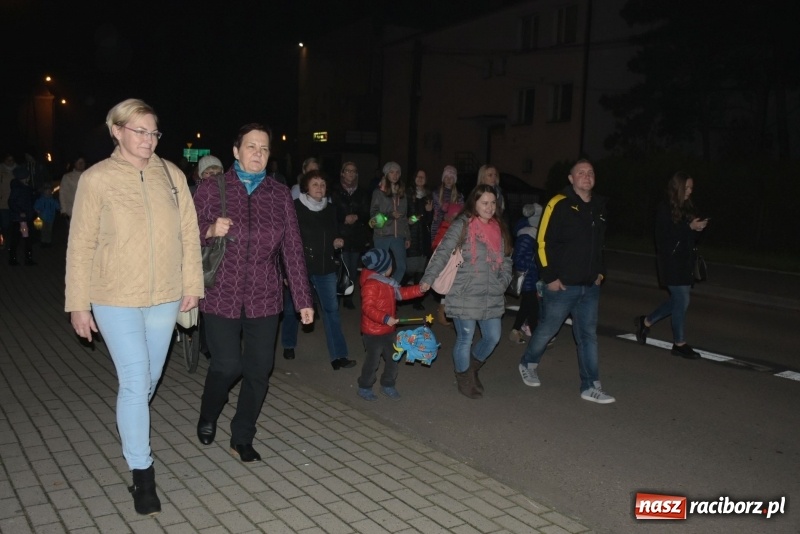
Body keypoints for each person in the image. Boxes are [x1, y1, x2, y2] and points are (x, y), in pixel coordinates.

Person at [65, 98, 204, 515]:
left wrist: (192, 285)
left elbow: (189, 236)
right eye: (139, 131)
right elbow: (80, 245)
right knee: (134, 379)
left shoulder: (173, 176)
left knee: (147, 381)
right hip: (112, 295)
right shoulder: (97, 179)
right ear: (117, 131)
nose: (148, 140)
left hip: (164, 294)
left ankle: (133, 436)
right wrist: (78, 304)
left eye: (154, 132)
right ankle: (143, 474)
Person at [193, 123, 314, 463]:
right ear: (236, 151)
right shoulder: (211, 189)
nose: (258, 153)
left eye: (263, 148)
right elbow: (182, 233)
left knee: (259, 369)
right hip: (221, 292)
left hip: (264, 295)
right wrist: (209, 229)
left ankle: (242, 435)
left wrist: (303, 299)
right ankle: (208, 413)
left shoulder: (278, 195)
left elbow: (292, 248)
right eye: (251, 146)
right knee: (227, 365)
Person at [517, 159, 615, 404]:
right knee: (548, 328)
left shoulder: (599, 207)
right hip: (562, 285)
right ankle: (528, 362)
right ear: (571, 179)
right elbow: (542, 241)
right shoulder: (558, 203)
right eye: (580, 172)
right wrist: (549, 276)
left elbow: (600, 245)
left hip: (590, 285)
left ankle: (590, 385)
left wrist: (600, 273)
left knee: (588, 336)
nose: (586, 176)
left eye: (590, 172)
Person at [420, 184, 512, 399]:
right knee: (465, 338)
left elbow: (507, 258)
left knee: (493, 337)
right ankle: (463, 378)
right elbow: (443, 252)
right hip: (464, 292)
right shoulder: (462, 225)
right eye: (484, 203)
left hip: (492, 293)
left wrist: (504, 281)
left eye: (492, 203)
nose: (489, 207)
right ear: (474, 203)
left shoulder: (499, 227)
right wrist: (427, 279)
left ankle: (472, 369)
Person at [635, 171, 709, 359]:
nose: (690, 191)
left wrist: (698, 228)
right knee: (682, 300)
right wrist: (688, 227)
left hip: (685, 262)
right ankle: (679, 343)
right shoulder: (664, 208)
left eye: (692, 187)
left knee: (678, 301)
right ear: (678, 188)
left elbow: (690, 238)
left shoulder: (688, 206)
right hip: (671, 262)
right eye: (687, 188)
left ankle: (646, 321)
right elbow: (663, 238)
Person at [291, 169, 355, 370]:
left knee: (332, 311)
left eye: (322, 184)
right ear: (306, 188)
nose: (319, 188)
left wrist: (337, 241)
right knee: (291, 308)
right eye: (315, 184)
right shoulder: (296, 207)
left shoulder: (330, 209)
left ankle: (339, 356)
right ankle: (288, 344)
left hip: (325, 266)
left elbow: (334, 232)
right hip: (301, 266)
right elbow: (289, 239)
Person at [357, 248, 425, 401]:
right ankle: (365, 386)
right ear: (383, 267)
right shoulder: (371, 285)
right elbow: (367, 308)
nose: (392, 268)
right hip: (372, 332)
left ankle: (388, 384)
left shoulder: (388, 282)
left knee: (393, 358)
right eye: (390, 265)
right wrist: (385, 318)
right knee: (372, 361)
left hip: (388, 331)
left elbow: (402, 293)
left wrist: (419, 289)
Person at [330, 161, 371, 310]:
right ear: (342, 173)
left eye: (353, 171)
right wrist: (343, 218)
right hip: (341, 234)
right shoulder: (334, 191)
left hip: (357, 235)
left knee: (353, 268)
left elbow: (367, 212)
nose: (350, 174)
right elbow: (331, 211)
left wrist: (357, 216)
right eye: (348, 171)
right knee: (342, 266)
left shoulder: (362, 192)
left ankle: (348, 296)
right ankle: (337, 296)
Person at [430, 165, 464, 325]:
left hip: (455, 235)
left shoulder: (460, 196)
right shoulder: (437, 194)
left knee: (453, 272)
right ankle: (442, 308)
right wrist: (446, 215)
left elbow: (464, 214)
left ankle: (447, 307)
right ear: (443, 178)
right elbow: (436, 214)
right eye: (447, 176)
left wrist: (456, 217)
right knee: (441, 271)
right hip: (440, 234)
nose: (449, 178)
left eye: (452, 176)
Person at [370, 161, 410, 284]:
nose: (395, 175)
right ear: (386, 174)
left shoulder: (402, 194)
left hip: (398, 236)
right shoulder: (378, 192)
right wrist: (389, 215)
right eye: (392, 172)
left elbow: (404, 217)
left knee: (402, 267)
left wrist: (407, 236)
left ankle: (390, 290)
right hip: (382, 235)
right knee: (381, 269)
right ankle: (379, 295)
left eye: (397, 172)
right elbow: (373, 218)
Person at [509, 203, 543, 344]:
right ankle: (536, 338)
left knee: (526, 306)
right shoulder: (527, 234)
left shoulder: (532, 234)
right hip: (528, 277)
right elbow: (518, 257)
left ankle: (515, 331)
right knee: (533, 307)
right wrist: (531, 264)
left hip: (532, 276)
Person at [404, 169, 433, 310]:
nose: (421, 179)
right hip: (411, 234)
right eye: (418, 176)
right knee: (408, 269)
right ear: (414, 178)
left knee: (420, 270)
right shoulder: (407, 194)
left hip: (423, 235)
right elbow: (402, 213)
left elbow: (429, 220)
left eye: (423, 176)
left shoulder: (428, 196)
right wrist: (407, 220)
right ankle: (399, 295)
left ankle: (417, 300)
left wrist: (429, 211)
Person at [7, 166, 37, 266]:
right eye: (26, 177)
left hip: (26, 218)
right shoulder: (17, 189)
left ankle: (27, 259)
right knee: (17, 238)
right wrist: (20, 212)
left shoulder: (26, 188)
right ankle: (13, 258)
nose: (28, 179)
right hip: (19, 220)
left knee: (27, 238)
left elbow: (29, 201)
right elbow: (11, 202)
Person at [33, 182, 60, 247]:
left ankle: (48, 241)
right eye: (46, 190)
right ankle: (43, 241)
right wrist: (37, 210)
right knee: (43, 230)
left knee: (49, 230)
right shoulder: (41, 199)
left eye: (49, 190)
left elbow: (58, 206)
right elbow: (36, 206)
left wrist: (59, 207)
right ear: (44, 191)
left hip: (51, 217)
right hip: (42, 217)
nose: (48, 192)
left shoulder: (53, 200)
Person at [0, 153, 16, 247]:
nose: (10, 162)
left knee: (13, 223)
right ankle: (3, 241)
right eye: (8, 160)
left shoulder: (17, 169)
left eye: (12, 160)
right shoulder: (1, 169)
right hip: (3, 201)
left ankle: (12, 242)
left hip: (14, 201)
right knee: (4, 223)